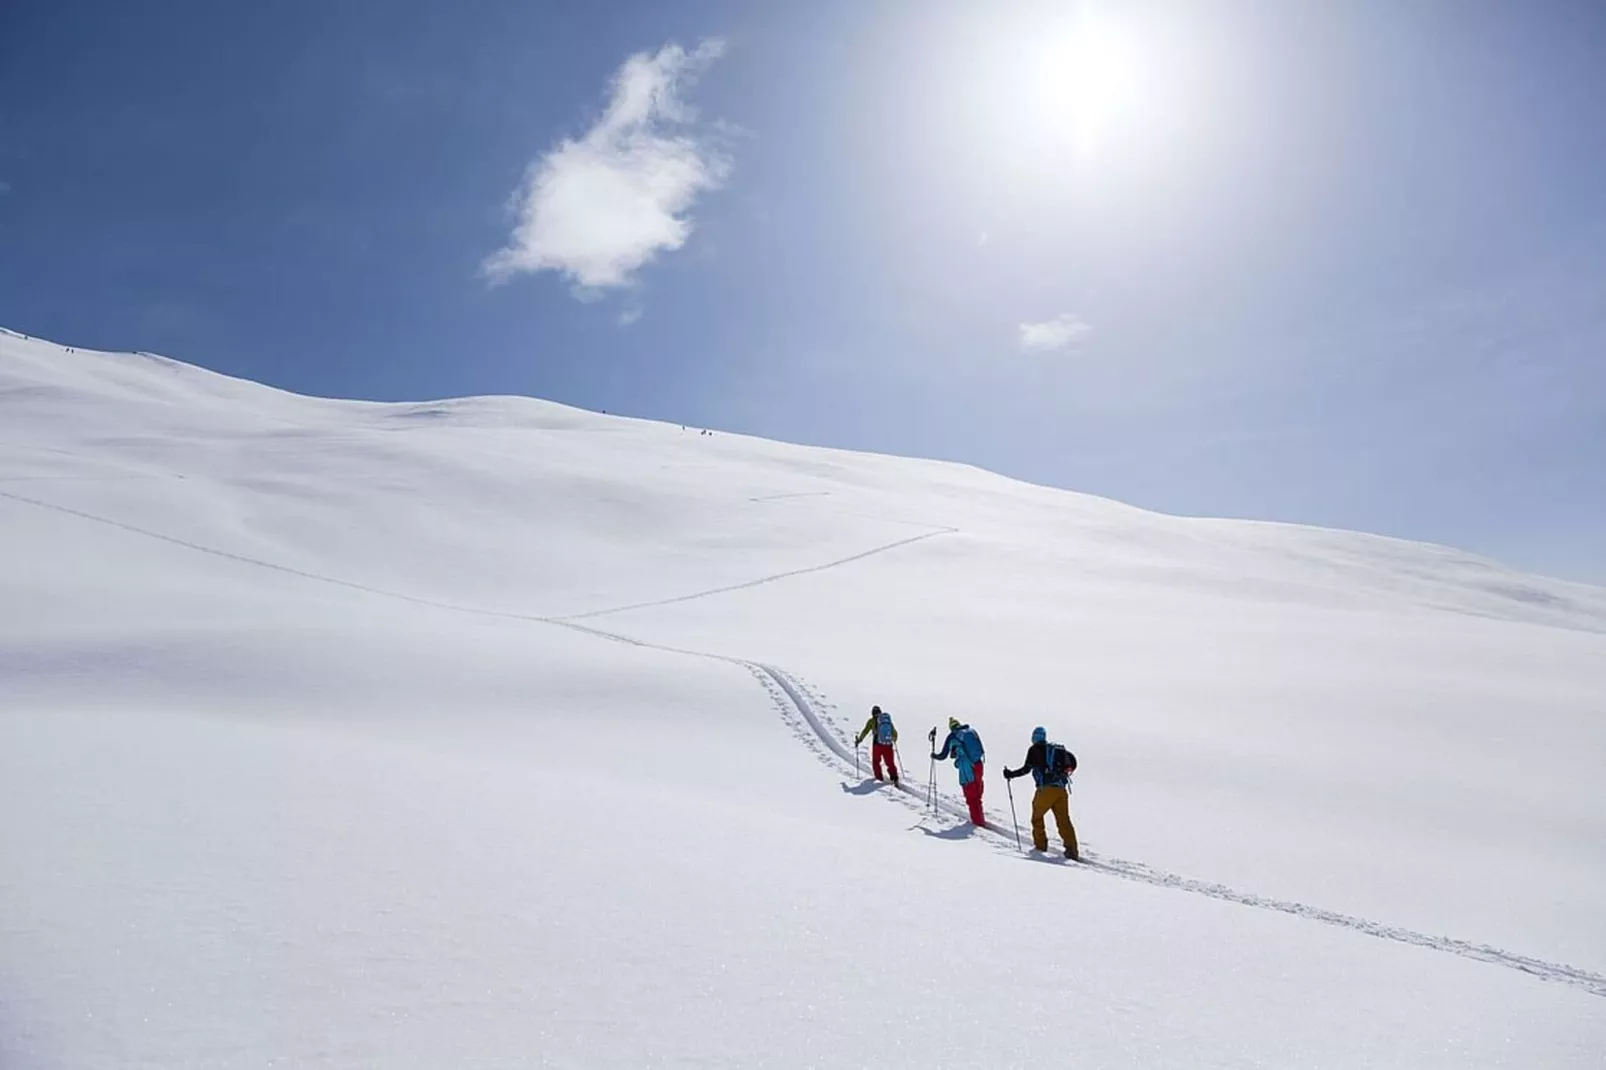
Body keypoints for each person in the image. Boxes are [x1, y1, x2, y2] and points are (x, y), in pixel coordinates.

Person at [1003, 727, 1079, 860]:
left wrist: (1010, 774)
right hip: (1061, 789)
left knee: (1037, 817)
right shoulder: (1055, 750)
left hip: (1045, 790)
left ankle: (1040, 846)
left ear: (1034, 737)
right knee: (1063, 820)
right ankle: (1072, 850)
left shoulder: (1034, 750)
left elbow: (1026, 769)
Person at [931, 717, 986, 826]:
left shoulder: (952, 736)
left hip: (967, 769)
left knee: (971, 797)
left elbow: (943, 755)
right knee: (977, 795)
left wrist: (934, 755)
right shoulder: (971, 731)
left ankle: (978, 823)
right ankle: (980, 818)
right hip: (978, 764)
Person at [853, 705, 899, 784]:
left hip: (877, 745)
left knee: (876, 761)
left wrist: (859, 740)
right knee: (890, 763)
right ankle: (895, 778)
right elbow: (895, 733)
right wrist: (893, 739)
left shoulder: (871, 721)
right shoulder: (886, 721)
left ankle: (879, 778)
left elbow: (865, 731)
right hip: (888, 745)